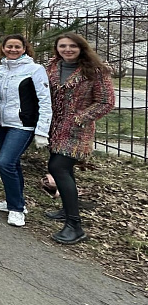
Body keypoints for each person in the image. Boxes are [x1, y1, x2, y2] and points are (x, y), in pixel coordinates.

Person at [43, 33, 114, 244]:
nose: (67, 49)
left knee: (58, 168)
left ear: (81, 48)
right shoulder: (52, 68)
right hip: (53, 127)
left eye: (72, 46)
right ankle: (66, 209)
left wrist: (81, 118)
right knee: (65, 170)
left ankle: (75, 225)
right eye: (62, 46)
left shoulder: (95, 70)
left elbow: (105, 102)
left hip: (77, 130)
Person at [0, 34, 53, 227]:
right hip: (0, 124)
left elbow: (45, 100)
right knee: (13, 164)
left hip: (22, 124)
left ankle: (16, 209)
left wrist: (42, 131)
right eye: (9, 46)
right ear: (3, 48)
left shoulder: (35, 70)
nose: (13, 50)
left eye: (17, 46)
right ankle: (15, 201)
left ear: (25, 48)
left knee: (5, 162)